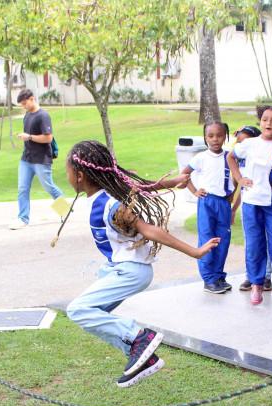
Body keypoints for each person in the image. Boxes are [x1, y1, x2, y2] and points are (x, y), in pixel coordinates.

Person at [63, 140, 219, 388]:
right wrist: (173, 182)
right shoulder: (108, 194)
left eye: (68, 172)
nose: (67, 176)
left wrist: (195, 252)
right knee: (93, 313)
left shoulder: (111, 205)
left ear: (80, 176)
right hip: (118, 269)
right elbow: (142, 186)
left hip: (131, 271)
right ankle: (141, 357)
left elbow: (149, 230)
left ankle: (139, 338)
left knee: (78, 310)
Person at [227, 106, 272, 308]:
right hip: (251, 202)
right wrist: (240, 178)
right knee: (254, 244)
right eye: (265, 119)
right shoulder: (249, 144)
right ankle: (257, 284)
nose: (268, 123)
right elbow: (230, 157)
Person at [181, 122, 234, 294]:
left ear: (225, 137)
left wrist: (231, 199)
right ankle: (208, 279)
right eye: (210, 136)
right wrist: (195, 191)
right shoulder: (201, 158)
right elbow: (184, 174)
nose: (215, 139)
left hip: (224, 203)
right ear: (205, 138)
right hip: (207, 202)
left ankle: (218, 276)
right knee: (206, 238)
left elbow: (238, 178)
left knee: (222, 241)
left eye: (219, 135)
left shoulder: (230, 157)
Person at [10, 88, 63, 229]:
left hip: (41, 159)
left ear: (32, 99)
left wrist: (29, 137)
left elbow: (48, 138)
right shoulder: (27, 115)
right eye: (21, 104)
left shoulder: (43, 116)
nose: (23, 106)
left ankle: (65, 210)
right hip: (26, 159)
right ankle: (23, 218)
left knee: (49, 187)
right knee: (22, 188)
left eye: (24, 103)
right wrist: (25, 137)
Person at [230, 125, 272, 293]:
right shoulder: (241, 161)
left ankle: (266, 277)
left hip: (266, 204)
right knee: (251, 242)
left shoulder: (259, 158)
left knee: (267, 240)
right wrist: (234, 209)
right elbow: (241, 189)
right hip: (249, 205)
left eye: (246, 141)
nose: (242, 145)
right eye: (239, 141)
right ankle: (251, 275)